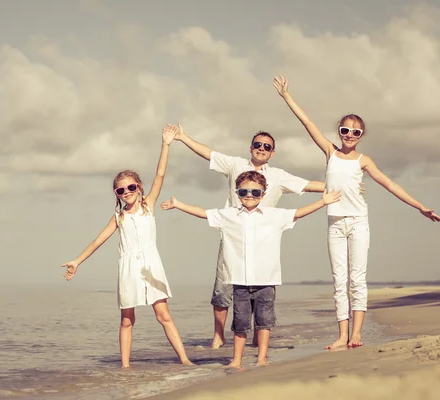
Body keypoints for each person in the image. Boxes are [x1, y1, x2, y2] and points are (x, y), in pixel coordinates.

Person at [273, 74, 440, 350]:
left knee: (357, 279)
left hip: (358, 223)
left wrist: (419, 206)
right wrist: (286, 96)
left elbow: (389, 184)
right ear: (338, 131)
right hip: (334, 225)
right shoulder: (330, 152)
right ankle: (342, 335)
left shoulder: (364, 161)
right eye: (345, 130)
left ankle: (356, 333)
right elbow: (307, 123)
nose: (349, 135)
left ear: (361, 137)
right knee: (339, 281)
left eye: (356, 132)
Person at [170, 123, 328, 348]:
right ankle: (219, 335)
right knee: (222, 288)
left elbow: (308, 185)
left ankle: (257, 338)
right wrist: (184, 137)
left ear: (272, 152)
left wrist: (340, 186)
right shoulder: (236, 164)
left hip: (263, 241)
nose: (261, 148)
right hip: (233, 238)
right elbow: (208, 153)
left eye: (267, 146)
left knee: (260, 289)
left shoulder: (278, 175)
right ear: (250, 147)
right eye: (258, 144)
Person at [161, 171, 341, 368]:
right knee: (240, 324)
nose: (249, 195)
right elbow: (203, 213)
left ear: (263, 194)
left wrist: (323, 202)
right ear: (237, 192)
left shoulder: (274, 215)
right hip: (239, 281)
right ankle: (236, 360)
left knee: (264, 322)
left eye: (255, 192)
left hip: (266, 279)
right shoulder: (228, 215)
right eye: (244, 191)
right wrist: (178, 204)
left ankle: (261, 358)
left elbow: (298, 212)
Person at [61, 125, 193, 368]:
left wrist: (165, 144)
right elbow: (98, 241)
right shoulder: (118, 217)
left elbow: (160, 174)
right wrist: (77, 261)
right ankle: (125, 366)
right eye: (121, 190)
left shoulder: (148, 205)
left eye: (131, 187)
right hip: (128, 269)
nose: (127, 192)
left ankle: (184, 360)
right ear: (117, 194)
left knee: (163, 315)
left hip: (151, 266)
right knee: (127, 320)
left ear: (139, 187)